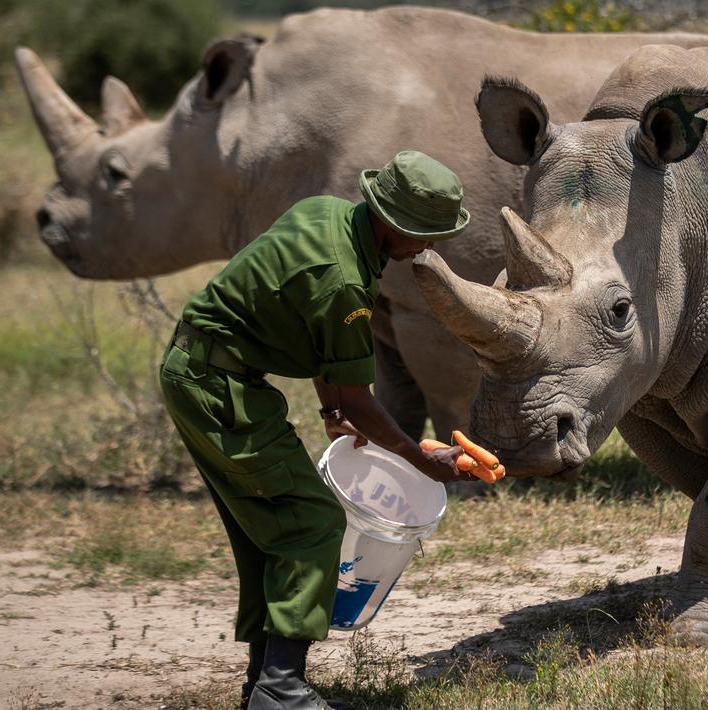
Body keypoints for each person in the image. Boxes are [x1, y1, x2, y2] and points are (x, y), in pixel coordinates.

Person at [159, 151, 473, 710]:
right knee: (312, 524)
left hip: (207, 372)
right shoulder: (344, 283)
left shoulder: (327, 213)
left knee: (271, 529)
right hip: (219, 387)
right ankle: (281, 689)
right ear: (394, 223)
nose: (430, 246)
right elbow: (355, 387)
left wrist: (333, 413)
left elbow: (317, 345)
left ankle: (263, 681)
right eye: (425, 234)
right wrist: (416, 458)